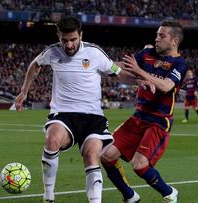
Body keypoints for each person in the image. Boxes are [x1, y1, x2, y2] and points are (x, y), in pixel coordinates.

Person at [14, 16, 146, 203]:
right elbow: (34, 66)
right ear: (58, 36)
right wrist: (23, 92)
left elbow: (118, 73)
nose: (69, 45)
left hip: (92, 117)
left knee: (92, 155)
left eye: (73, 40)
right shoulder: (51, 52)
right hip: (64, 114)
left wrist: (139, 81)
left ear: (80, 36)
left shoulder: (95, 53)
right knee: (52, 141)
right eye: (64, 40)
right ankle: (49, 196)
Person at [101, 20, 186, 203]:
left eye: (162, 36)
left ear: (174, 41)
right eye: (156, 35)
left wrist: (140, 71)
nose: (157, 39)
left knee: (139, 166)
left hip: (158, 121)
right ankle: (130, 196)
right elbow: (123, 68)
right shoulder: (146, 54)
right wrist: (98, 62)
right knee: (106, 156)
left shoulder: (179, 64)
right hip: (138, 117)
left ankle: (170, 193)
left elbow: (165, 86)